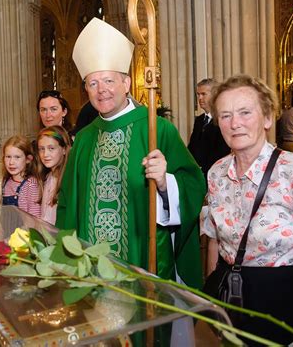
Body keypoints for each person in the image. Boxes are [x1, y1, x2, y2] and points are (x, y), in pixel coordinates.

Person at [56, 18, 205, 289]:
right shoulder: (85, 139)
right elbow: (68, 203)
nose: (102, 90)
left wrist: (165, 183)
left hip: (143, 262)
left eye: (109, 80)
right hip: (92, 270)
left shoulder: (157, 129)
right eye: (93, 83)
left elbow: (193, 185)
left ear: (126, 83)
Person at [202, 74, 293, 346]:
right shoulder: (216, 173)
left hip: (290, 310)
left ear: (268, 118)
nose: (235, 123)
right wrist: (214, 306)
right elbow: (215, 240)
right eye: (225, 116)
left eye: (245, 112)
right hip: (234, 308)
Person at [188, 78, 230, 180]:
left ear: (215, 95)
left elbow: (223, 152)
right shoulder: (199, 120)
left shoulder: (223, 119)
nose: (200, 98)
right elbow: (192, 148)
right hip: (197, 176)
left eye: (203, 94)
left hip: (216, 175)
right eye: (198, 94)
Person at [36, 125, 71, 225]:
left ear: (64, 149)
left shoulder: (67, 180)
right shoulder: (48, 177)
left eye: (51, 148)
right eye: (41, 149)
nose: (45, 154)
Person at [1, 135, 41, 217]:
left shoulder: (31, 184)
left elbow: (35, 218)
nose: (11, 162)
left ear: (28, 159)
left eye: (17, 157)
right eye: (8, 157)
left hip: (25, 229)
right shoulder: (6, 181)